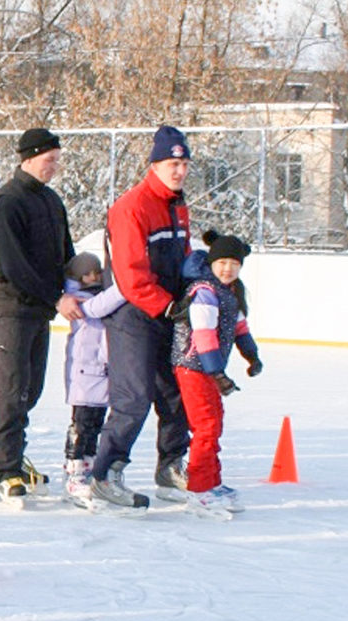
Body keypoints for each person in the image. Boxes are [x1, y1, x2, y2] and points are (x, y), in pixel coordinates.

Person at [89, 125, 196, 512]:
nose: (179, 171)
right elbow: (130, 275)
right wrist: (167, 306)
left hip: (168, 312)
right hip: (134, 315)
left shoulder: (177, 205)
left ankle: (170, 466)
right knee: (134, 397)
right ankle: (105, 474)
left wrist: (198, 285)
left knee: (175, 393)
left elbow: (184, 258)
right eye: (172, 164)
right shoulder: (131, 207)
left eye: (184, 164)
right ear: (154, 166)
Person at [0, 128, 75, 509]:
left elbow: (65, 253)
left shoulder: (50, 201)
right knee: (11, 389)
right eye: (48, 160)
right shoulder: (8, 202)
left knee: (30, 390)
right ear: (29, 158)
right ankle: (5, 470)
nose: (54, 166)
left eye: (57, 160)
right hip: (10, 309)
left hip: (38, 311)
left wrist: (80, 284)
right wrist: (56, 297)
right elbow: (14, 265)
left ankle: (14, 456)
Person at [171, 232, 261, 516]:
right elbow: (204, 335)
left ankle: (211, 483)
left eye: (234, 264)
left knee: (214, 424)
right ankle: (199, 491)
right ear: (211, 263)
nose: (228, 269)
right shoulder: (205, 292)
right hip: (193, 367)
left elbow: (240, 328)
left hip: (208, 368)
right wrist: (217, 373)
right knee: (206, 427)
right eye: (222, 262)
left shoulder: (231, 292)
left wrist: (252, 356)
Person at [60, 252, 127, 508]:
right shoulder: (79, 299)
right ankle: (74, 470)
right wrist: (126, 287)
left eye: (97, 272)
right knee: (82, 424)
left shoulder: (97, 295)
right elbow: (100, 308)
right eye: (87, 274)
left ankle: (87, 467)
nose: (94, 277)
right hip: (84, 372)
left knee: (96, 424)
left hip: (100, 371)